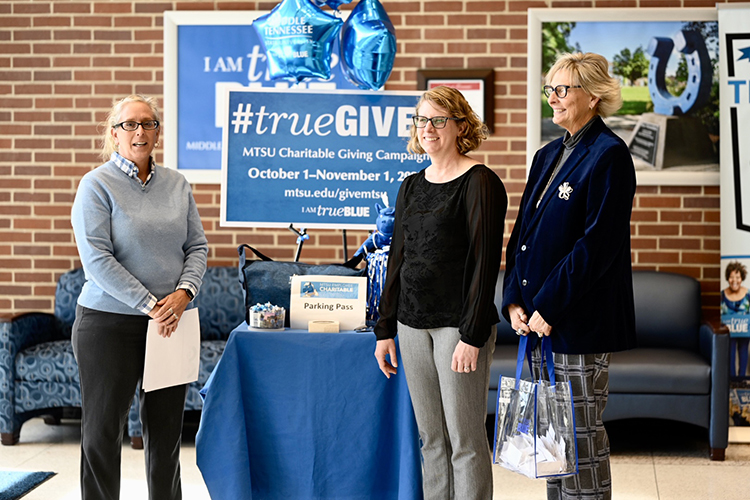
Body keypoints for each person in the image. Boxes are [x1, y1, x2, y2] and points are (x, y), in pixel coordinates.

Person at [502, 52, 636, 500]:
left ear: (593, 96)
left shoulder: (610, 156)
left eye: (563, 90)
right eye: (550, 89)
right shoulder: (547, 154)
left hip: (576, 324)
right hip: (538, 322)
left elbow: (596, 247)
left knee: (579, 439)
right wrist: (515, 299)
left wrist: (549, 304)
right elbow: (522, 235)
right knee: (552, 441)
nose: (553, 99)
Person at [71, 94, 208, 500]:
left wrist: (183, 295)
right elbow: (97, 258)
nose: (140, 131)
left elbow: (197, 247)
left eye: (148, 123)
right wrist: (153, 305)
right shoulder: (96, 185)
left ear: (157, 133)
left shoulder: (176, 184)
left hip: (171, 323)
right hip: (108, 324)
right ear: (114, 134)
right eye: (129, 124)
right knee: (102, 434)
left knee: (166, 438)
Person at [374, 86, 507, 500]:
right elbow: (398, 258)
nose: (427, 128)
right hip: (411, 325)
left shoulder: (480, 182)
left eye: (438, 120)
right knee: (431, 439)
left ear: (460, 126)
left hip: (457, 328)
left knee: (464, 441)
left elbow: (485, 265)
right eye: (421, 120)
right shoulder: (411, 185)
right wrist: (384, 329)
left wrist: (471, 335)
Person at [721, 261, 750, 378]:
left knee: (743, 353)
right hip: (729, 333)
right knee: (730, 354)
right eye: (731, 277)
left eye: (737, 277)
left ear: (742, 278)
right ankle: (732, 381)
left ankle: (742, 380)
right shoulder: (722, 295)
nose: (734, 281)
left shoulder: (748, 295)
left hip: (745, 332)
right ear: (727, 278)